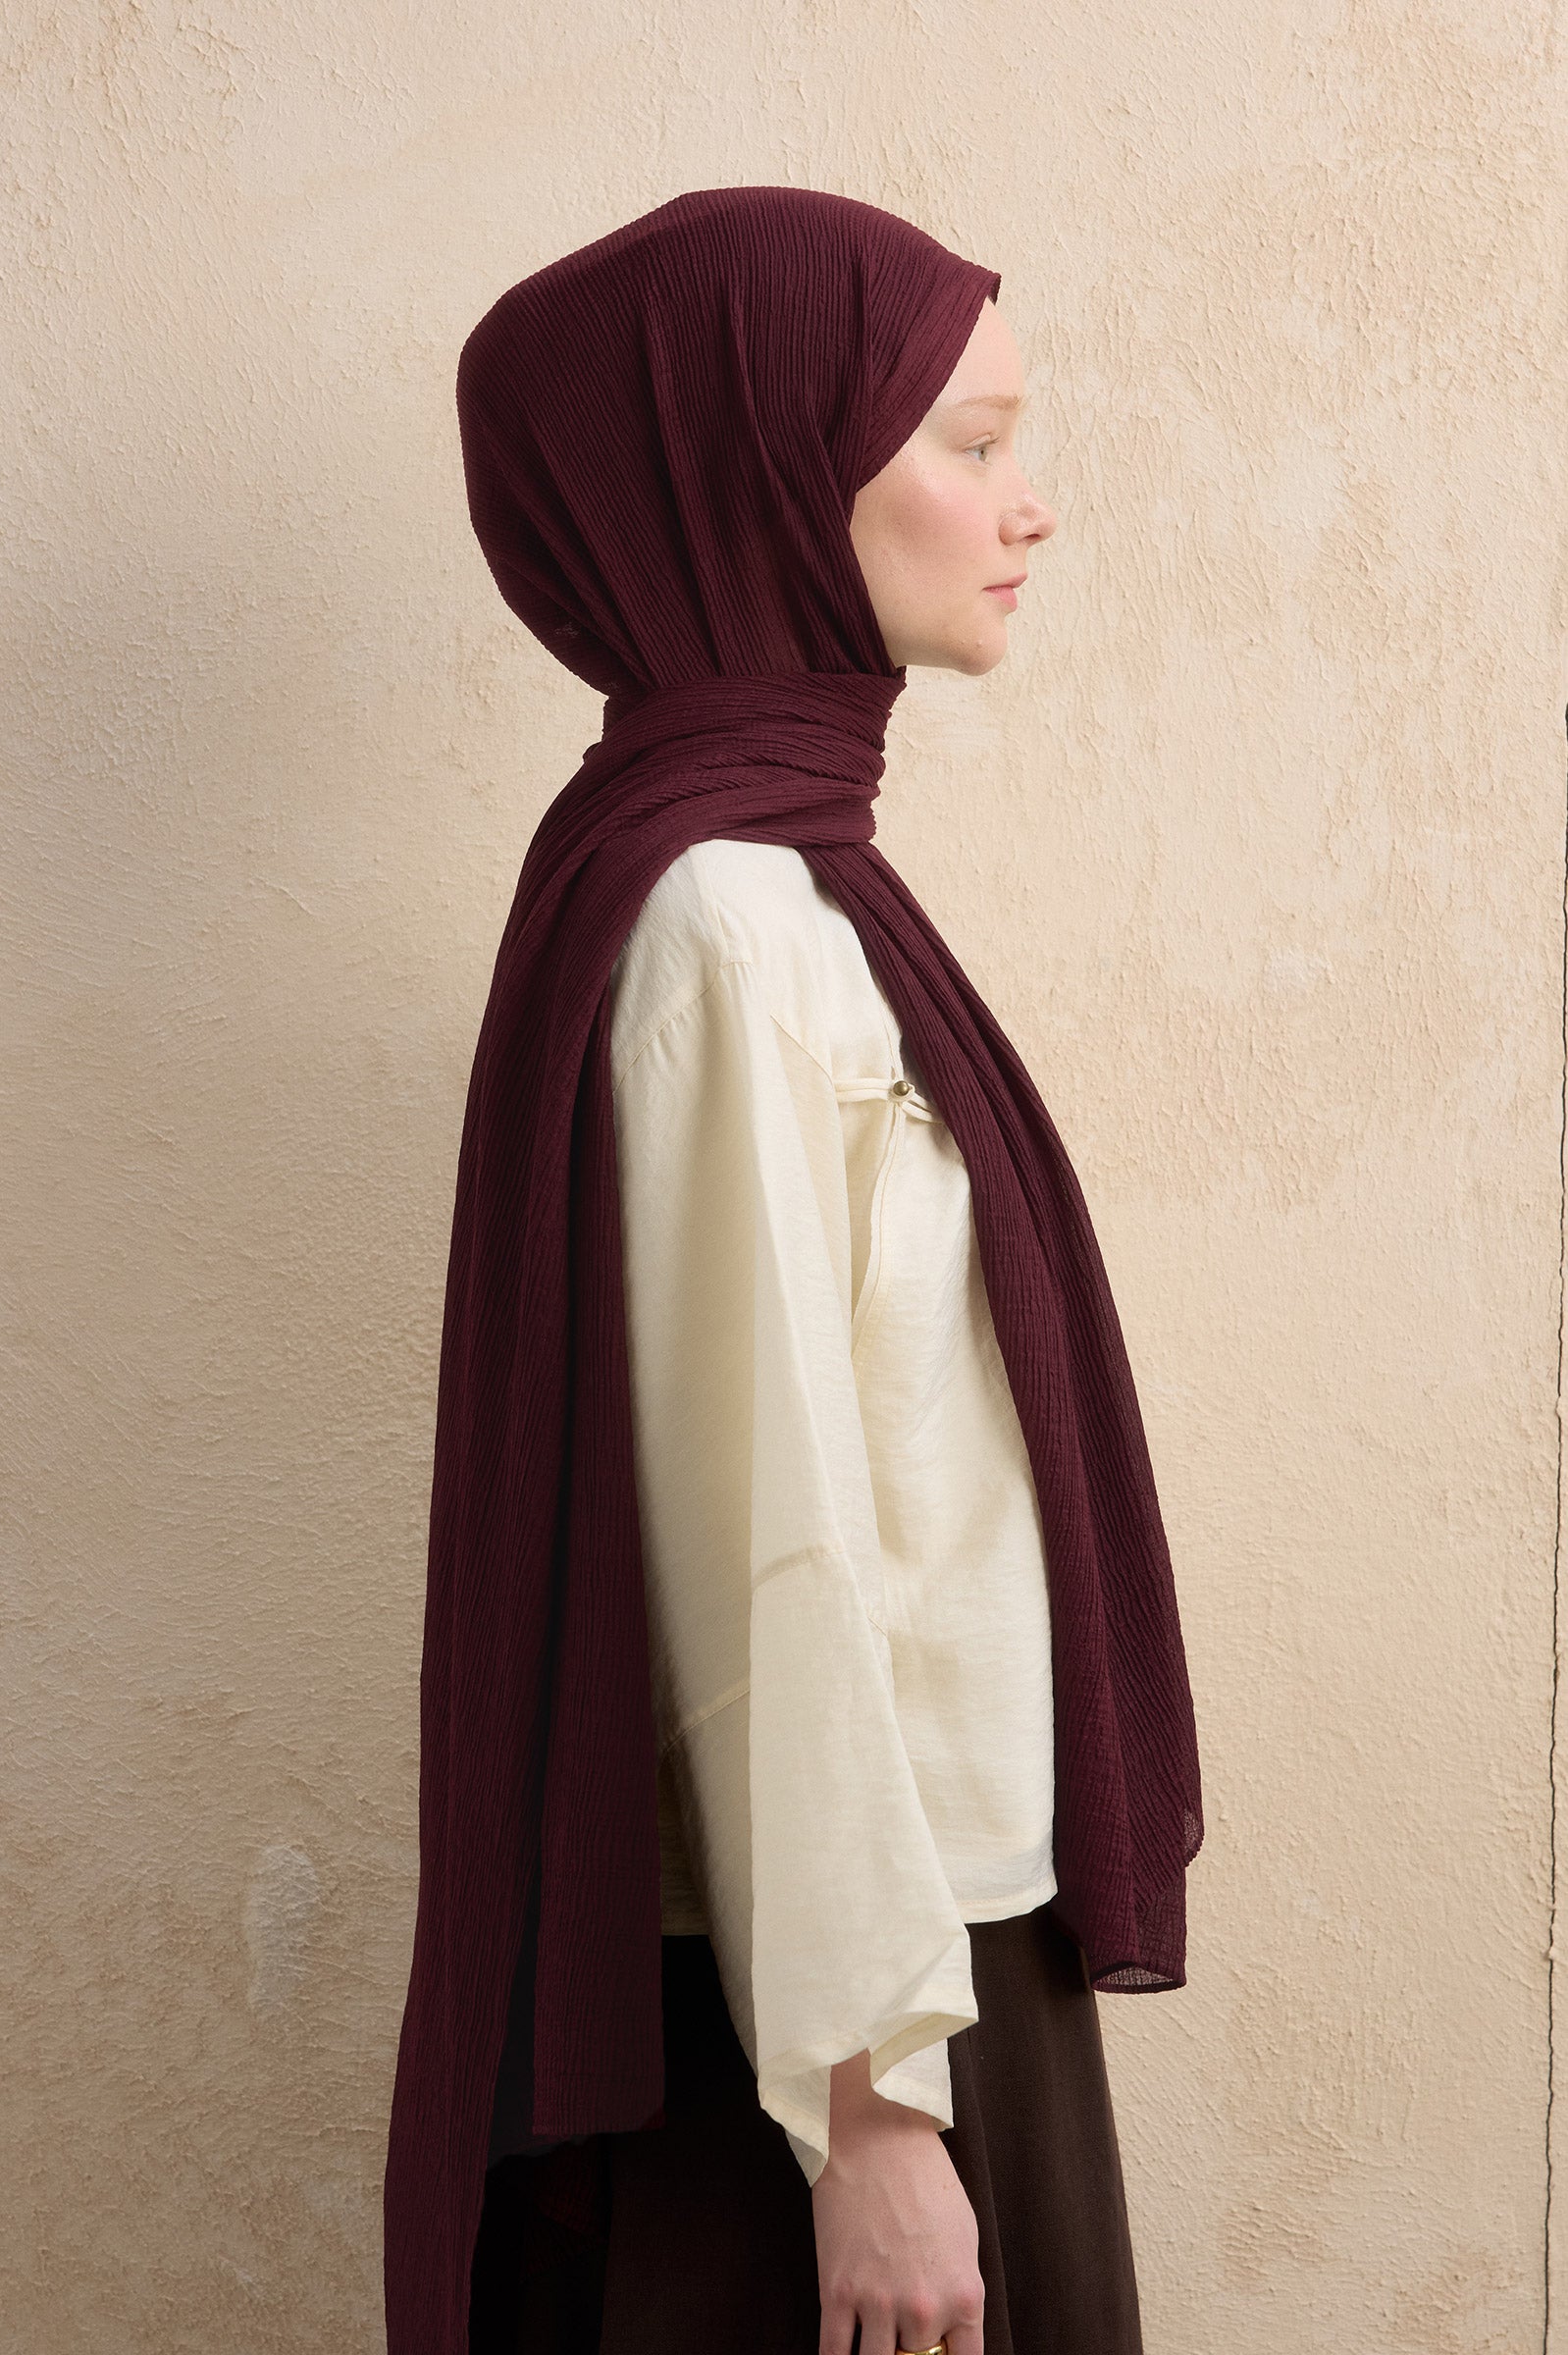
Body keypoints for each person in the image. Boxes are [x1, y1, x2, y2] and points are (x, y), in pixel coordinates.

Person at [383, 186, 1202, 2355]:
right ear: (755, 483)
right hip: (832, 2020)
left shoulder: (768, 888)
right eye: (970, 444)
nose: (1028, 507)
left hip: (896, 1945)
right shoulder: (728, 923)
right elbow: (771, 1545)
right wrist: (869, 2118)